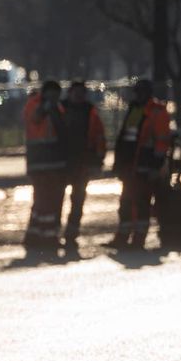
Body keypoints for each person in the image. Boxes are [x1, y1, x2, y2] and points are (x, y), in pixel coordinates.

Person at [106, 78, 172, 250]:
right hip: (132, 167)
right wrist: (119, 163)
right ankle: (123, 237)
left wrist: (155, 167)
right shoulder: (136, 110)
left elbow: (161, 143)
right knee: (126, 202)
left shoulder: (157, 111)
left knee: (141, 203)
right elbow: (128, 138)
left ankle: (138, 239)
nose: (139, 95)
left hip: (147, 167)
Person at [23, 79, 68, 252]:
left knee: (42, 201)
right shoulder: (35, 105)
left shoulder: (57, 107)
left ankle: (34, 234)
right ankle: (48, 236)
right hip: (41, 162)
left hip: (51, 163)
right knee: (47, 201)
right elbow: (35, 119)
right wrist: (47, 106)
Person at [61, 80, 107, 251]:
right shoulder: (61, 109)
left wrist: (98, 161)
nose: (79, 96)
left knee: (78, 201)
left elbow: (99, 137)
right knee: (57, 200)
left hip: (82, 164)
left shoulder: (90, 112)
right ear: (70, 92)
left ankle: (71, 235)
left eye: (82, 93)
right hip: (63, 163)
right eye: (76, 92)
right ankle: (54, 234)